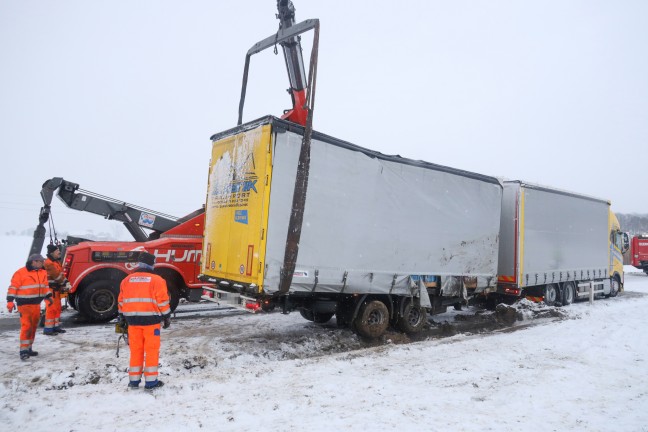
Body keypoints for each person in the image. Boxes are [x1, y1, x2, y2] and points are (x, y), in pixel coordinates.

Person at [118, 252, 171, 390]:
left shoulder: (127, 280)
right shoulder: (157, 280)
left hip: (133, 323)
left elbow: (121, 302)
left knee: (136, 350)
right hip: (151, 322)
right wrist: (166, 316)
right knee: (152, 350)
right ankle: (151, 382)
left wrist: (122, 318)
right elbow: (163, 302)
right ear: (151, 264)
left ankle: (134, 381)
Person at [6, 254, 53, 360]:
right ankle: (23, 351)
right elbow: (13, 287)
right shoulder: (21, 273)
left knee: (33, 327)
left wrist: (49, 296)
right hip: (24, 305)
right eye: (41, 262)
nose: (42, 264)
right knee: (26, 326)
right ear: (34, 262)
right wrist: (10, 301)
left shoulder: (42, 272)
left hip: (36, 304)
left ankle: (29, 348)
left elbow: (45, 286)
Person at [43, 244, 68, 335]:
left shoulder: (56, 262)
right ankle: (48, 329)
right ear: (52, 253)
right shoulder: (49, 263)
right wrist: (66, 284)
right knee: (51, 309)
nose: (59, 253)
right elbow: (57, 276)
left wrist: (64, 283)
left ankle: (55, 327)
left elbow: (60, 274)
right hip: (50, 290)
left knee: (57, 309)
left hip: (56, 290)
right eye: (57, 251)